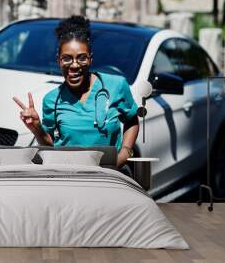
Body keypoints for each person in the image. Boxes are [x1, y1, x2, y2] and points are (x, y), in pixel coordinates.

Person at [13, 15, 139, 170]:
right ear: (58, 60)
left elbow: (132, 120)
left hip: (110, 175)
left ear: (91, 59)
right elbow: (51, 147)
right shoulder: (52, 100)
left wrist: (125, 153)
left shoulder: (116, 85)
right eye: (67, 59)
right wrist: (37, 129)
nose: (74, 65)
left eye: (81, 58)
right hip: (70, 179)